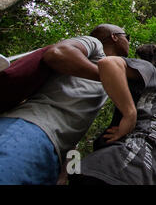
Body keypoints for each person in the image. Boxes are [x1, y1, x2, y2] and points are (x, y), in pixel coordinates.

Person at [0, 24, 130, 185]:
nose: (129, 42)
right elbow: (58, 53)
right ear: (114, 37)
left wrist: (65, 171)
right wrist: (109, 78)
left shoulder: (107, 69)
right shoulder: (95, 44)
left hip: (52, 154)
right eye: (127, 37)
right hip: (30, 130)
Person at [69, 44, 156, 185]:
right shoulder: (151, 72)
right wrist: (130, 114)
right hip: (112, 171)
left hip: (137, 176)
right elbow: (109, 63)